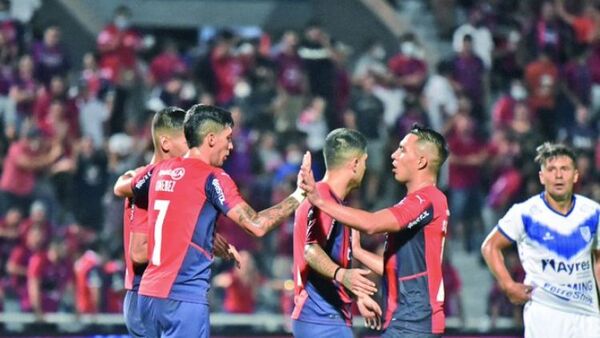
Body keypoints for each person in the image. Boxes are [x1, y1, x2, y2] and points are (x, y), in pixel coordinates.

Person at [129, 104, 309, 338]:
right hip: (183, 300)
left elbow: (130, 189)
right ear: (211, 139)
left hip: (148, 297)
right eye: (228, 138)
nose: (232, 146)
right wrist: (299, 195)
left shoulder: (158, 170)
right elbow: (257, 225)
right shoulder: (213, 177)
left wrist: (202, 237)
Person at [300, 124, 450, 337]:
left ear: (421, 161)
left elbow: (372, 224)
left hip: (415, 322)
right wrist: (359, 252)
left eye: (402, 149)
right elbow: (400, 269)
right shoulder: (417, 202)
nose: (394, 155)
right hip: (406, 320)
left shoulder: (426, 199)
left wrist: (320, 201)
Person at [113, 107, 238, 337]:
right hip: (148, 293)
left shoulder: (163, 179)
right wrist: (190, 246)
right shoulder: (151, 183)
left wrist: (204, 237)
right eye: (186, 139)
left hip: (158, 293)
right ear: (166, 143)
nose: (193, 145)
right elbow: (139, 252)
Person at [481, 143, 600, 338]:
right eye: (551, 170)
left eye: (564, 169)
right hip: (545, 313)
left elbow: (598, 261)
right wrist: (508, 285)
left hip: (588, 315)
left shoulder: (593, 212)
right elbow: (490, 246)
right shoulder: (525, 212)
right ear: (542, 177)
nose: (558, 175)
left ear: (575, 175)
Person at [292, 128, 382, 337]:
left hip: (325, 317)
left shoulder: (331, 202)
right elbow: (311, 250)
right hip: (321, 318)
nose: (366, 168)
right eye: (365, 161)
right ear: (355, 163)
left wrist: (358, 294)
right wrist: (343, 275)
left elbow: (329, 256)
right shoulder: (323, 198)